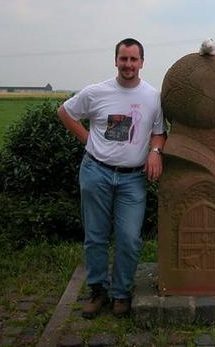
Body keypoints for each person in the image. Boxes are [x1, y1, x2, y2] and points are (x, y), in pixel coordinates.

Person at [57, 38, 166, 319]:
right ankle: (97, 291)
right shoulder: (96, 92)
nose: (128, 64)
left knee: (129, 238)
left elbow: (158, 131)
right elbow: (65, 112)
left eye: (133, 59)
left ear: (142, 62)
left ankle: (121, 293)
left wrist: (155, 152)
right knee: (95, 236)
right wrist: (87, 140)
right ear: (116, 61)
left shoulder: (153, 97)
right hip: (96, 172)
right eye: (123, 59)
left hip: (133, 179)